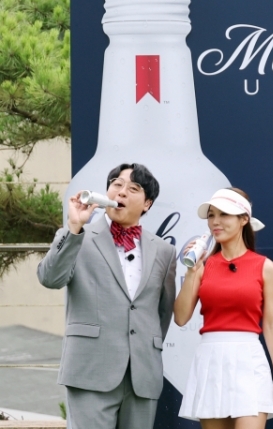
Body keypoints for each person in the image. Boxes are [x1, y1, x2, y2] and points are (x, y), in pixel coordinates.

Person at [37, 163, 176, 429]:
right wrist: (73, 227)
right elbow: (49, 278)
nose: (121, 192)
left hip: (142, 376)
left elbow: (163, 312)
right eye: (116, 184)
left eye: (133, 188)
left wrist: (144, 347)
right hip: (90, 370)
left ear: (147, 203)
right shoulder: (78, 236)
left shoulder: (163, 251)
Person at [174, 188, 273, 426]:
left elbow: (271, 324)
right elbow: (181, 317)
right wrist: (191, 272)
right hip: (211, 361)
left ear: (244, 219)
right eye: (211, 215)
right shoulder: (202, 266)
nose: (215, 222)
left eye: (224, 214)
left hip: (249, 360)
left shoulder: (266, 267)